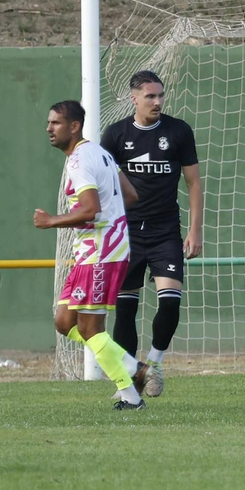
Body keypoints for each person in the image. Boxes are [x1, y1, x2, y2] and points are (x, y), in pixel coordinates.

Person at [36, 100, 149, 410]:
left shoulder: (80, 161)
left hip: (101, 252)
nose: (49, 128)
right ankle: (131, 367)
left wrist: (52, 221)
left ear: (74, 126)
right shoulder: (100, 153)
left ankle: (131, 392)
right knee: (64, 321)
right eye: (49, 122)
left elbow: (90, 209)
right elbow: (130, 195)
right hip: (92, 250)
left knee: (89, 329)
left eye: (55, 123)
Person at [100, 71, 201, 397]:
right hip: (126, 234)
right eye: (150, 97)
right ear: (134, 98)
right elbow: (104, 186)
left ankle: (154, 364)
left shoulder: (178, 131)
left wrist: (195, 229)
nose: (157, 102)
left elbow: (193, 183)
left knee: (170, 304)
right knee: (126, 309)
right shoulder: (116, 134)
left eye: (160, 96)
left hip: (165, 233)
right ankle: (128, 381)